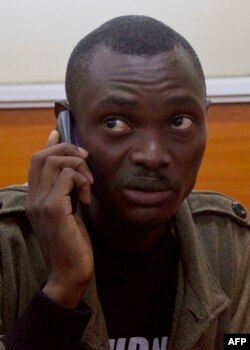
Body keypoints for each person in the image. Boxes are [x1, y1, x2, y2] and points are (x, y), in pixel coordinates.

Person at [0, 15, 249, 350]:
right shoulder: (7, 245)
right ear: (68, 127)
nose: (153, 155)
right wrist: (62, 288)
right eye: (115, 123)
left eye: (180, 121)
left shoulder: (231, 244)